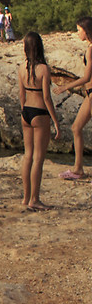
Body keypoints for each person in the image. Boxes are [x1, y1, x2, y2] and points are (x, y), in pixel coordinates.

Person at [20, 32, 57, 211]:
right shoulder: (44, 69)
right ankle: (35, 198)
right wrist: (55, 121)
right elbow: (47, 98)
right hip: (40, 112)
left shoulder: (21, 67)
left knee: (27, 155)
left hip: (25, 112)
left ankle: (25, 197)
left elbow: (21, 95)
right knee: (38, 158)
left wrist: (23, 112)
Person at [67, 18, 92, 182]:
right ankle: (78, 168)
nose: (77, 33)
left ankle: (78, 169)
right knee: (76, 127)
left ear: (86, 30)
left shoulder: (91, 50)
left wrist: (65, 86)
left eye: (78, 30)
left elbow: (87, 77)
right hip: (90, 94)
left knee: (76, 128)